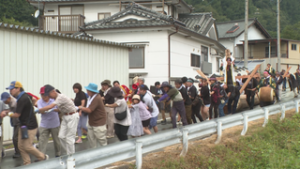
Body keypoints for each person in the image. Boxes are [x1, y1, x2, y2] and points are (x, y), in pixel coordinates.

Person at [1, 81, 48, 165]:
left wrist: (7, 113)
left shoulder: (22, 98)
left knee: (27, 146)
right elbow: (34, 99)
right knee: (20, 146)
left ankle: (43, 157)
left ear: (18, 88)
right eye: (9, 89)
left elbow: (16, 114)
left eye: (12, 89)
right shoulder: (24, 95)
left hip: (30, 125)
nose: (10, 91)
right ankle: (27, 163)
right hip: (23, 125)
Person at [35, 85, 79, 155]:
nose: (48, 97)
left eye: (48, 95)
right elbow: (57, 109)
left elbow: (50, 106)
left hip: (72, 116)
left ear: (53, 92)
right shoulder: (54, 98)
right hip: (65, 116)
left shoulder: (60, 97)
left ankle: (71, 156)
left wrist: (39, 110)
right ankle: (69, 152)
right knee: (61, 136)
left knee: (69, 138)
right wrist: (52, 110)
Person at [78, 83, 107, 148]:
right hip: (92, 122)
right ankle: (94, 155)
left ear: (92, 91)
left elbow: (89, 110)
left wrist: (81, 108)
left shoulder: (97, 98)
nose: (87, 92)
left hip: (99, 123)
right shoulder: (91, 97)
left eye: (88, 90)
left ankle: (105, 155)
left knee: (101, 140)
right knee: (91, 140)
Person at [37, 86, 61, 157]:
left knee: (57, 141)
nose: (43, 96)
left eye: (44, 94)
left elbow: (59, 109)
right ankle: (41, 156)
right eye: (41, 95)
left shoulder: (53, 100)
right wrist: (48, 109)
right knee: (42, 141)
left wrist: (53, 109)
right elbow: (41, 111)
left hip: (55, 123)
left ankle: (58, 154)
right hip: (44, 124)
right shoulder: (39, 101)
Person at [1, 92, 20, 158]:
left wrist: (5, 113)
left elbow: (12, 111)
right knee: (17, 138)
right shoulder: (10, 102)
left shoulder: (13, 102)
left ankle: (18, 152)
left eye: (5, 100)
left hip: (18, 122)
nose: (5, 102)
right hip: (16, 122)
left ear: (9, 98)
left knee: (15, 138)